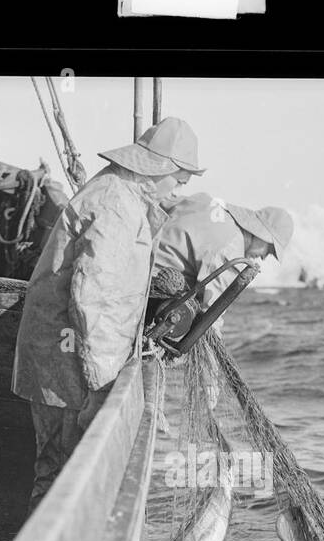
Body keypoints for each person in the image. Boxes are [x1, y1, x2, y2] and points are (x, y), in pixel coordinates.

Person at [12, 116, 204, 511]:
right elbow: (93, 296)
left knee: (58, 473)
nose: (180, 189)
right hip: (65, 365)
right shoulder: (117, 205)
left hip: (66, 359)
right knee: (61, 476)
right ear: (160, 168)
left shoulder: (124, 196)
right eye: (180, 179)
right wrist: (104, 384)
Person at [152, 195, 293, 338]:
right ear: (261, 234)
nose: (263, 257)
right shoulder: (231, 250)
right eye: (269, 250)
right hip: (151, 290)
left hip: (140, 258)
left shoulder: (208, 202)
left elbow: (163, 202)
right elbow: (211, 314)